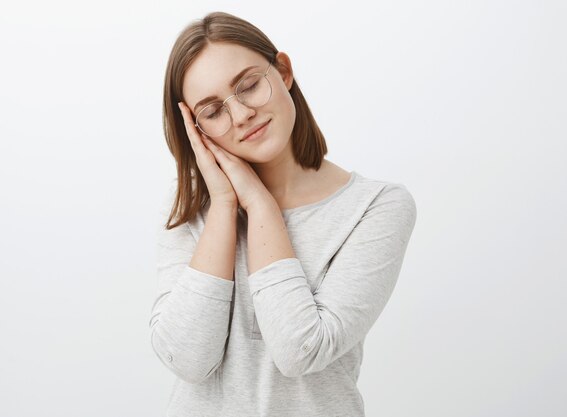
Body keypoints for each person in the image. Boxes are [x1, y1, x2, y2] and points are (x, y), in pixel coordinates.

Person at [149, 11, 417, 417]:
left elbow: (301, 350)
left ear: (284, 72)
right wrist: (224, 204)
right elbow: (186, 358)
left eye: (250, 86)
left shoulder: (375, 206)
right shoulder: (188, 207)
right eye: (212, 111)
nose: (241, 115)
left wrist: (260, 205)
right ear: (196, 129)